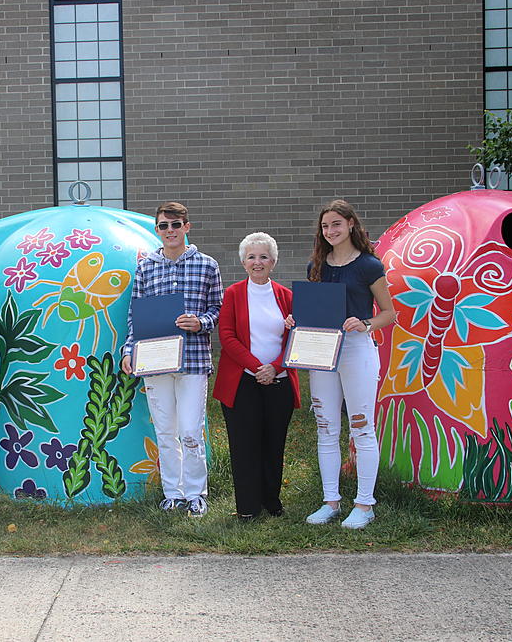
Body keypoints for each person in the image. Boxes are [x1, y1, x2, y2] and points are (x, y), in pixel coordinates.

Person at [294, 199, 396, 529]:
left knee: (362, 427)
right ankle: (331, 501)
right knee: (326, 428)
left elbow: (389, 313)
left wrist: (365, 324)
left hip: (356, 349)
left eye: (336, 224)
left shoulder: (368, 265)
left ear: (351, 224)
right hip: (321, 351)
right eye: (325, 226)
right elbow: (315, 309)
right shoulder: (316, 266)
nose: (330, 231)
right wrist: (297, 319)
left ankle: (365, 505)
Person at [121, 201, 222, 517]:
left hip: (192, 360)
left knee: (191, 429)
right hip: (155, 361)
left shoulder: (207, 265)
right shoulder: (146, 267)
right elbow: (135, 316)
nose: (170, 231)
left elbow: (218, 310)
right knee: (165, 431)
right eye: (163, 226)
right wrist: (129, 351)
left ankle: (196, 493)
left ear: (187, 227)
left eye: (175, 225)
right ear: (157, 230)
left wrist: (201, 322)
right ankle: (173, 493)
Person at [213, 232, 300, 521]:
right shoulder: (233, 294)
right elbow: (226, 336)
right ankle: (248, 507)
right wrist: (255, 366)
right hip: (242, 382)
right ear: (243, 262)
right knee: (244, 444)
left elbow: (295, 338)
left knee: (273, 444)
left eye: (263, 256)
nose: (257, 262)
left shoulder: (287, 296)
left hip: (279, 380)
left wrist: (274, 367)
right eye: (251, 256)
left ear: (273, 262)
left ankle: (272, 502)